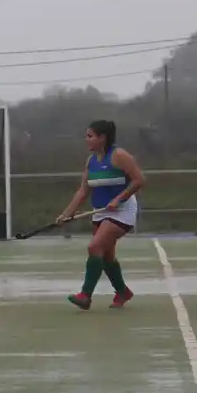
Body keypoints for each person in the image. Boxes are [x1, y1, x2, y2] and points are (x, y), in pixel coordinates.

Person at [57, 119, 146, 310]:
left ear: (102, 138)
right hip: (100, 211)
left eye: (90, 136)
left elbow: (139, 180)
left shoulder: (119, 155)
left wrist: (119, 199)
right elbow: (83, 191)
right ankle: (122, 291)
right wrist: (66, 214)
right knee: (106, 256)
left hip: (122, 211)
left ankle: (85, 295)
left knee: (95, 246)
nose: (86, 140)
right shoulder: (91, 161)